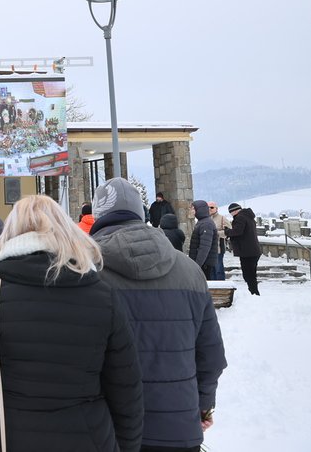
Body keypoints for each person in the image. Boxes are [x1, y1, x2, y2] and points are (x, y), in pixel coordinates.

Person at [0, 195, 143, 452]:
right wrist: (128, 446)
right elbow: (125, 383)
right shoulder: (102, 293)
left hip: (12, 436)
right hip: (89, 436)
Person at [90, 177, 227, 451]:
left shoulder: (87, 270)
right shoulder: (189, 271)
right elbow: (210, 356)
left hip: (108, 427)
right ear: (141, 213)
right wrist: (202, 406)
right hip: (178, 424)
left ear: (97, 215)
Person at [226, 203, 261, 295]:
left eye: (231, 212)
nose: (231, 215)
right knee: (251, 273)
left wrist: (227, 231)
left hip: (247, 251)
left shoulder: (240, 217)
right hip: (253, 250)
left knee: (248, 274)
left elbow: (238, 231)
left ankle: (254, 293)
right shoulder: (248, 216)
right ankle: (254, 292)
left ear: (235, 211)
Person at [188, 200, 218, 279]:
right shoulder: (202, 222)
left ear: (199, 210)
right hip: (202, 263)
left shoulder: (206, 224)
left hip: (205, 264)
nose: (191, 211)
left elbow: (204, 247)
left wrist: (197, 264)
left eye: (193, 209)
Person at [208, 202, 231, 280]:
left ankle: (221, 286)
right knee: (211, 270)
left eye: (212, 207)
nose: (209, 209)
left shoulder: (222, 218)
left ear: (216, 208)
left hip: (219, 248)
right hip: (208, 248)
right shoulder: (205, 218)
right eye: (208, 207)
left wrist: (217, 233)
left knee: (218, 269)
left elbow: (229, 231)